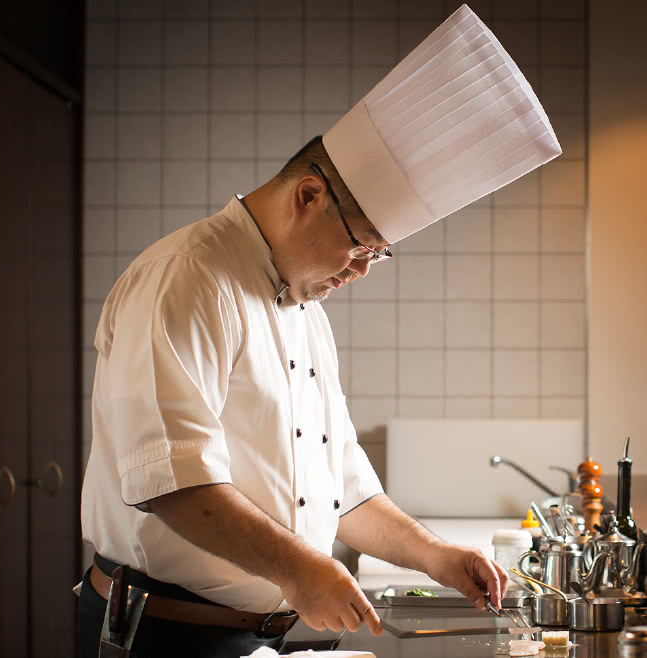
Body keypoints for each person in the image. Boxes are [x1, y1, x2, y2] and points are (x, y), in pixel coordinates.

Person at [77, 6, 561, 657]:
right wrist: (302, 570)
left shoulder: (305, 313)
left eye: (377, 255)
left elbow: (343, 491)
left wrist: (434, 555)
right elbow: (172, 481)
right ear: (308, 196)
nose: (360, 271)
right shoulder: (188, 278)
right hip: (167, 637)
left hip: (262, 639)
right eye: (360, 246)